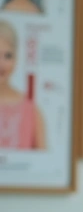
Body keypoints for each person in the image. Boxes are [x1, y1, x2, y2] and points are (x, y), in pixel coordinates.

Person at [0, 20, 44, 150]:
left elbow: (45, 162)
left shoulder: (31, 110)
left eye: (7, 55)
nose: (1, 64)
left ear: (16, 58)